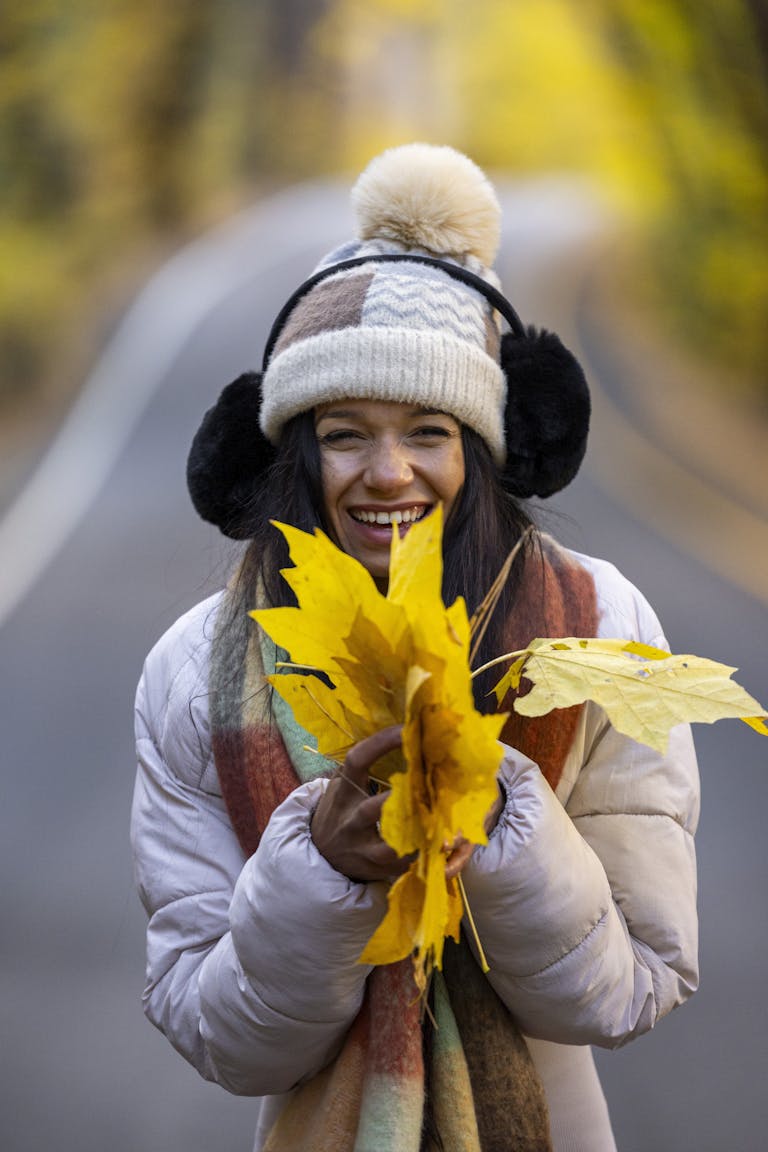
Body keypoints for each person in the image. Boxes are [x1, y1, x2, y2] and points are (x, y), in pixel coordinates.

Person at [131, 143, 699, 1152]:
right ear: (291, 454)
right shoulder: (196, 669)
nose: (387, 472)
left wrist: (501, 833)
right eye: (344, 432)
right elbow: (217, 1032)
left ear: (488, 447)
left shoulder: (600, 629)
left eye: (430, 429)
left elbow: (632, 987)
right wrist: (324, 875)